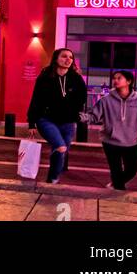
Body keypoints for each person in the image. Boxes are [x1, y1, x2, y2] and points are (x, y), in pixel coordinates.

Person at [26, 47, 88, 184]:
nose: (68, 60)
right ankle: (54, 179)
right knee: (61, 147)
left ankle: (51, 179)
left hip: (68, 123)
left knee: (60, 152)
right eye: (64, 56)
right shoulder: (45, 77)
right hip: (46, 120)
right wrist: (31, 123)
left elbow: (82, 98)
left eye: (71, 57)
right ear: (56, 58)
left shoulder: (76, 78)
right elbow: (36, 100)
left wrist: (77, 114)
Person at [85, 70, 137, 191]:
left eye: (119, 78)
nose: (115, 80)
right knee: (115, 170)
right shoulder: (106, 100)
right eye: (114, 78)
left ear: (129, 81)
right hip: (110, 141)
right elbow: (93, 116)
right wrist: (80, 117)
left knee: (132, 170)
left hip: (131, 142)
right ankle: (117, 196)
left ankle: (115, 184)